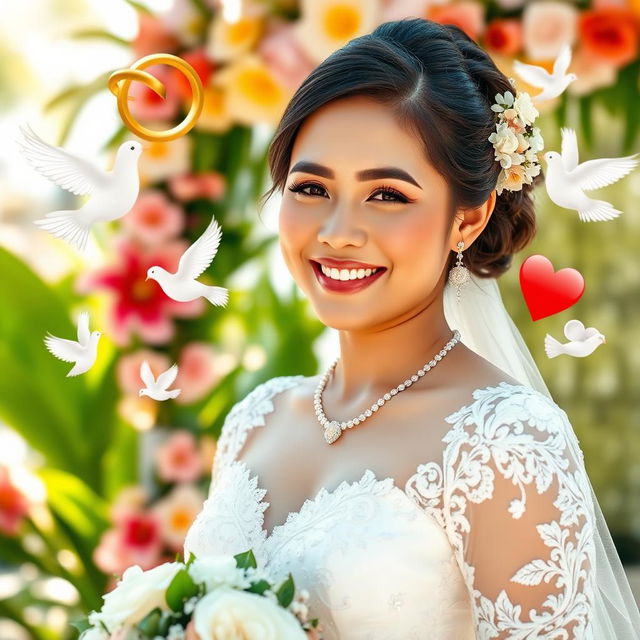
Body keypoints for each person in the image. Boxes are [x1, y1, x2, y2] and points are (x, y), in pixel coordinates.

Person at [183, 18, 640, 639]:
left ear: (467, 220)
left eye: (388, 196)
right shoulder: (254, 420)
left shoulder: (505, 443)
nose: (337, 231)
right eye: (311, 187)